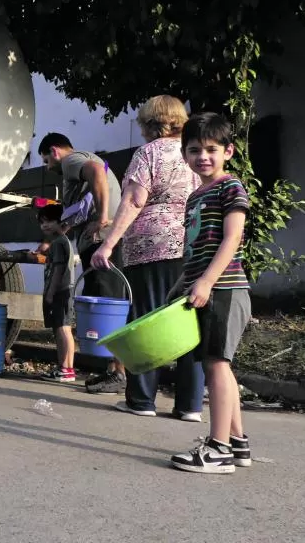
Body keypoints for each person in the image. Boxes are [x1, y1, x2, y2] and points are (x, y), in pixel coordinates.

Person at [91, 95, 204, 421]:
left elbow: (134, 200)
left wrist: (108, 244)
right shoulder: (195, 153)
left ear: (150, 122)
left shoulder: (149, 153)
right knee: (188, 323)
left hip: (152, 247)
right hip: (192, 246)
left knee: (146, 319)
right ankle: (190, 405)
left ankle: (142, 401)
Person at [168, 112, 253, 474]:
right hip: (203, 287)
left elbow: (233, 238)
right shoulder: (195, 197)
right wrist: (182, 284)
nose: (203, 156)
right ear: (185, 155)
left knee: (216, 364)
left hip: (225, 288)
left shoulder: (230, 186)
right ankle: (237, 443)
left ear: (228, 151)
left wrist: (206, 282)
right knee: (219, 365)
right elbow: (194, 249)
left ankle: (217, 448)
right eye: (194, 150)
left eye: (211, 149)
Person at [37, 133, 126, 393]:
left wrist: (103, 217)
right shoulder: (81, 162)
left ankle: (119, 372)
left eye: (45, 161)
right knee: (107, 304)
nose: (47, 167)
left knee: (108, 306)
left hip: (102, 242)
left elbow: (97, 172)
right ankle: (113, 371)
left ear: (54, 152)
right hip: (100, 242)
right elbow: (79, 209)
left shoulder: (72, 161)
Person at [37, 204, 77, 383]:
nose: (45, 225)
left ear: (61, 222)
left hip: (60, 291)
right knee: (63, 328)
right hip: (63, 290)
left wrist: (50, 293)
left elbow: (59, 269)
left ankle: (66, 369)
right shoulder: (60, 242)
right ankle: (66, 368)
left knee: (62, 329)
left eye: (50, 221)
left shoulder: (59, 243)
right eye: (42, 222)